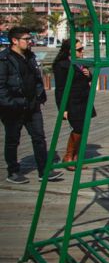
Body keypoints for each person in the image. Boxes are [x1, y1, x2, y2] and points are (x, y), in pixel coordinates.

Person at [0, 26, 64, 184]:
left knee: (39, 138)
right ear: (14, 41)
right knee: (12, 140)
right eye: (26, 39)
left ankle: (44, 171)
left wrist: (40, 95)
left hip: (32, 105)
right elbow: (1, 86)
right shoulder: (4, 59)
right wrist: (10, 103)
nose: (30, 41)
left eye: (30, 38)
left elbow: (36, 78)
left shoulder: (30, 56)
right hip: (13, 107)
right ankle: (13, 172)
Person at [53, 39, 94, 171]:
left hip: (84, 99)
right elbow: (60, 89)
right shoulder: (61, 65)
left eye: (82, 48)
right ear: (70, 51)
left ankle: (76, 157)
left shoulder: (81, 63)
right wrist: (63, 108)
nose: (82, 51)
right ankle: (68, 156)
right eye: (79, 49)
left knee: (83, 129)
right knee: (78, 128)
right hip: (72, 101)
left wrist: (89, 75)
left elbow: (88, 78)